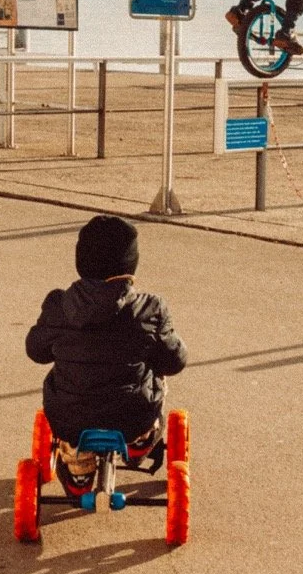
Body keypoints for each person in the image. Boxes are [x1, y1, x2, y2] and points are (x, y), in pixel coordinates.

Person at [25, 214, 188, 500]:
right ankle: (142, 441)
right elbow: (174, 362)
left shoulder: (59, 305)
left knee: (63, 376)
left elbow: (36, 351)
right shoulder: (150, 308)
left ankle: (78, 464)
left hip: (69, 417)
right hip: (132, 417)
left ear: (81, 262)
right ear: (130, 265)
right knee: (156, 375)